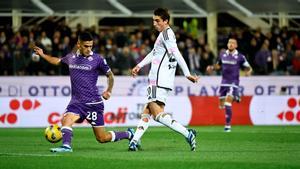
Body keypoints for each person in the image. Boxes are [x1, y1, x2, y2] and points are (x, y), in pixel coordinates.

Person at [34, 32, 135, 153]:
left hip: (93, 103)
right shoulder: (71, 57)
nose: (88, 49)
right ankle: (66, 146)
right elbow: (57, 61)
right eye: (86, 46)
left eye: (90, 46)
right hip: (76, 102)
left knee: (102, 138)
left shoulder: (98, 59)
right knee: (66, 120)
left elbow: (110, 75)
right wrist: (43, 55)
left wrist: (109, 90)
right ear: (79, 44)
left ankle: (128, 134)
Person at [129, 8, 199, 151]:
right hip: (161, 80)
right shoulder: (163, 35)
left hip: (158, 79)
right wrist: (139, 65)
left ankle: (187, 133)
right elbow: (154, 53)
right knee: (148, 110)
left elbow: (177, 54)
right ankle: (134, 141)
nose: (154, 23)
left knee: (156, 113)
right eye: (153, 20)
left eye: (157, 21)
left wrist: (187, 73)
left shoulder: (167, 34)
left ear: (166, 21)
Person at [206, 38, 252, 132]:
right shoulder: (222, 54)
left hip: (233, 83)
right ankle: (236, 97)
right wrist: (211, 68)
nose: (230, 44)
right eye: (229, 42)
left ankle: (227, 126)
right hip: (224, 83)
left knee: (228, 102)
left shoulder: (240, 57)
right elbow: (218, 65)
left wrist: (248, 72)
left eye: (233, 43)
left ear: (236, 45)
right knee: (221, 105)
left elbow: (249, 68)